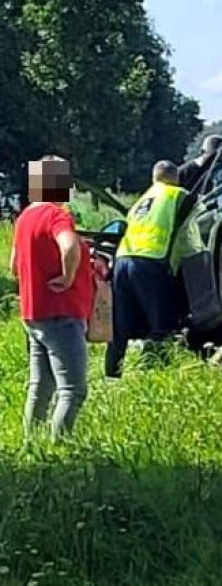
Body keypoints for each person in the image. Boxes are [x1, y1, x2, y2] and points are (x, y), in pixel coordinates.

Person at [9, 155, 94, 439]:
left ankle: (31, 443)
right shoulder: (57, 215)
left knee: (41, 386)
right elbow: (68, 246)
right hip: (62, 311)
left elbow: (13, 265)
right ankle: (60, 448)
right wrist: (69, 276)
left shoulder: (24, 218)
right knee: (73, 390)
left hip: (34, 312)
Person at [106, 160, 188, 378]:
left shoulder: (142, 201)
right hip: (151, 260)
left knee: (119, 327)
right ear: (176, 178)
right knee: (162, 323)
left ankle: (112, 375)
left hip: (123, 260)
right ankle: (154, 373)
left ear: (154, 178)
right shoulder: (177, 195)